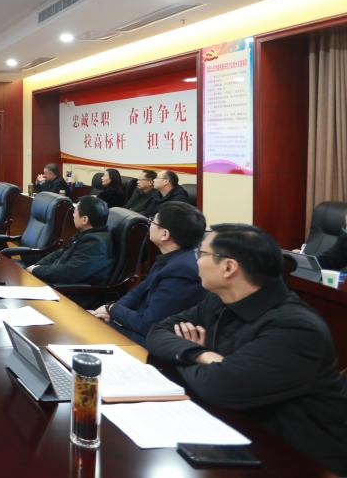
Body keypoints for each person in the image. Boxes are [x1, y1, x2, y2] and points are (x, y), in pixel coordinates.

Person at [147, 224, 347, 475]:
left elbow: (218, 387)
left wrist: (189, 360)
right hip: (233, 434)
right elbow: (157, 333)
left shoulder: (296, 328)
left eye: (201, 253)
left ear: (229, 267)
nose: (196, 261)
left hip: (298, 461)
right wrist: (200, 354)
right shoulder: (219, 300)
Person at [90, 202, 206, 344]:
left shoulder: (182, 270)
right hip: (137, 326)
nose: (150, 224)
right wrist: (110, 310)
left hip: (150, 341)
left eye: (153, 221)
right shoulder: (173, 258)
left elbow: (149, 325)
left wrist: (113, 310)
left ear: (165, 234)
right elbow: (139, 291)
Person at [28, 196, 111, 307]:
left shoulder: (95, 243)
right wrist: (37, 265)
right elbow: (60, 253)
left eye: (75, 212)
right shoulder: (88, 234)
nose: (73, 215)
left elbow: (70, 272)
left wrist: (37, 270)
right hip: (58, 282)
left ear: (84, 220)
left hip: (70, 293)